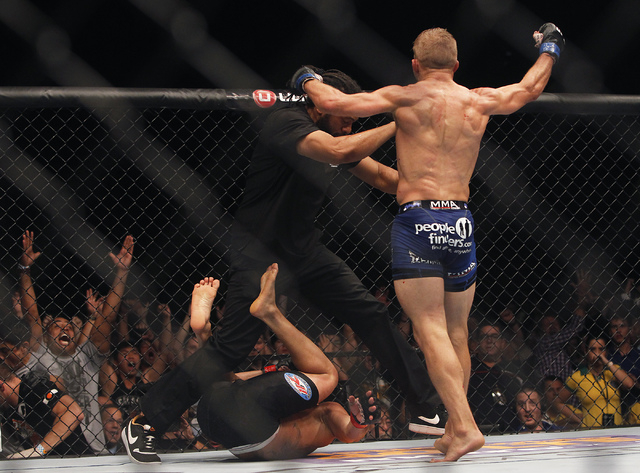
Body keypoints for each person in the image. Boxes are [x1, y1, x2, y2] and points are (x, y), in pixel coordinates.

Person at [125, 67, 446, 464]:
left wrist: (439, 188)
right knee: (230, 348)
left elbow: (381, 176)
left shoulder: (335, 137)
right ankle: (144, 422)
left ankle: (425, 407)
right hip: (260, 253)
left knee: (370, 312)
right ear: (321, 105)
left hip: (305, 252)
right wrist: (400, 121)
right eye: (346, 115)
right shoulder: (287, 123)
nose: (351, 124)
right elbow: (339, 151)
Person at [297, 23, 564, 461]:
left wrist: (306, 77)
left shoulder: (405, 96)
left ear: (415, 65)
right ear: (456, 65)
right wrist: (551, 46)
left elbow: (333, 103)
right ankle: (456, 427)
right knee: (457, 330)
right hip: (460, 220)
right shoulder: (478, 100)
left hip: (419, 219)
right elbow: (529, 88)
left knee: (429, 328)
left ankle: (464, 426)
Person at [124, 264, 381, 462]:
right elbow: (349, 431)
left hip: (215, 415)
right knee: (325, 376)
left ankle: (212, 333)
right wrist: (359, 423)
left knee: (327, 375)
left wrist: (360, 421)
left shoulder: (324, 411)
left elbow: (349, 431)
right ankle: (257, 316)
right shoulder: (308, 412)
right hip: (229, 426)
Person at [19, 231, 134, 452]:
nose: (66, 328)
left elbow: (107, 318)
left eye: (69, 326)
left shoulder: (87, 355)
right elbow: (32, 314)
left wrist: (122, 272)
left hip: (92, 445)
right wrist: (24, 270)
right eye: (58, 326)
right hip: (52, 443)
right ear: (46, 335)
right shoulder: (40, 353)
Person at [0, 361, 93, 458]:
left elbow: (73, 412)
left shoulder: (35, 387)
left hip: (76, 460)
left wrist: (40, 450)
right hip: (46, 463)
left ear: (1, 386)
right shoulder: (8, 409)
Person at [558, 335, 636, 428]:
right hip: (592, 431)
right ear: (586, 351)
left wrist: (607, 363)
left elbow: (629, 384)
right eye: (593, 349)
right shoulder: (577, 377)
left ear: (606, 351)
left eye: (601, 349)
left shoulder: (613, 371)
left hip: (616, 430)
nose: (597, 353)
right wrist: (578, 419)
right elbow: (557, 402)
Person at [468, 322, 523, 433]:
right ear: (477, 343)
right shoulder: (468, 369)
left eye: (494, 336)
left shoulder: (514, 371)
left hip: (513, 430)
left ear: (503, 343)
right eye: (484, 337)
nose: (489, 341)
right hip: (476, 430)